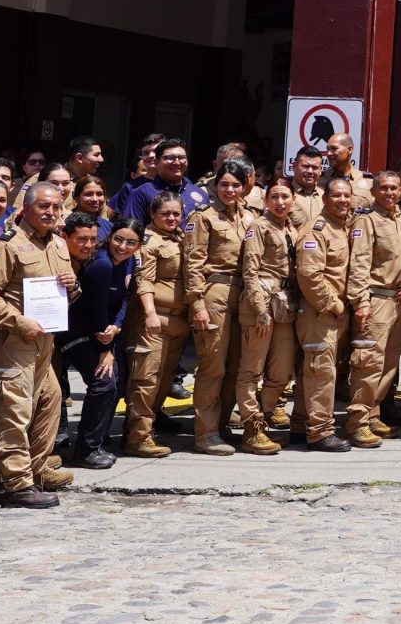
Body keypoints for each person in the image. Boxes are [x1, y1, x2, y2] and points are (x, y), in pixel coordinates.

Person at [0, 181, 77, 507]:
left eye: (56, 207)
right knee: (15, 410)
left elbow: (67, 294)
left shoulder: (59, 244)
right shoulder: (7, 244)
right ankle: (17, 485)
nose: (51, 212)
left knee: (50, 399)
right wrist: (18, 322)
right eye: (44, 206)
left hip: (46, 339)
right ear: (26, 208)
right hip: (14, 339)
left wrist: (73, 286)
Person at [59, 212, 139, 469]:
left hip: (105, 330)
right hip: (79, 331)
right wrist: (106, 350)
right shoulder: (102, 264)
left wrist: (116, 326)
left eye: (131, 242)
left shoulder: (129, 262)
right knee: (103, 383)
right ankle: (86, 449)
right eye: (118, 239)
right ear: (110, 237)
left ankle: (96, 441)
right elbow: (96, 308)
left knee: (113, 383)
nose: (123, 246)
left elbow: (124, 299)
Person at [346, 171, 401, 445]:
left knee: (388, 365)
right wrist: (361, 302)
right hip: (375, 300)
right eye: (383, 188)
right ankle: (356, 422)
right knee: (368, 364)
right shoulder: (366, 220)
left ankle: (372, 414)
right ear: (374, 192)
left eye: (394, 188)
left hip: (397, 300)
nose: (389, 193)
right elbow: (359, 264)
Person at [234, 181, 304, 455]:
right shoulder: (259, 227)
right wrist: (259, 309)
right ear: (266, 200)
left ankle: (262, 417)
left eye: (285, 196)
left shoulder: (292, 229)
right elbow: (250, 271)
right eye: (274, 197)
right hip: (261, 302)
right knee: (251, 370)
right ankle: (252, 429)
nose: (280, 202)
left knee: (282, 371)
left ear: (293, 199)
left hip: (285, 304)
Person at [183, 167, 249, 455]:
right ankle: (205, 433)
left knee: (236, 366)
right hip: (215, 293)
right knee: (213, 366)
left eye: (235, 185)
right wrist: (197, 304)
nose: (230, 190)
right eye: (224, 184)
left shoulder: (250, 217)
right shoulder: (203, 216)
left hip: (243, 293)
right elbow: (193, 264)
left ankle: (221, 426)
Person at [122, 196, 190, 458]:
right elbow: (143, 280)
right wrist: (149, 312)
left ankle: (149, 426)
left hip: (178, 320)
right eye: (166, 214)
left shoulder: (181, 238)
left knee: (164, 379)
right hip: (153, 318)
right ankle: (137, 437)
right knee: (146, 379)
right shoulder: (148, 241)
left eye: (176, 214)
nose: (172, 219)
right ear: (153, 213)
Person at [291, 178, 354, 452]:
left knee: (314, 369)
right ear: (325, 198)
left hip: (331, 312)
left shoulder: (343, 226)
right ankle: (320, 432)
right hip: (320, 312)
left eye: (346, 195)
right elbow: (309, 274)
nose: (342, 200)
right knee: (321, 372)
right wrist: (333, 304)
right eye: (336, 195)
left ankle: (301, 425)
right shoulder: (316, 229)